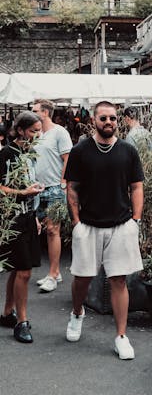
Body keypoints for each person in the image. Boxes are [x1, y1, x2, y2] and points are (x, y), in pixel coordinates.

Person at [64, 101, 144, 360]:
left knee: (118, 280)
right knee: (83, 278)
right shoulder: (81, 150)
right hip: (87, 225)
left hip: (121, 224)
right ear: (94, 121)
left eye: (112, 118)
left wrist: (136, 219)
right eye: (103, 118)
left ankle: (121, 336)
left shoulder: (128, 151)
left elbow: (137, 186)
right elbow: (72, 187)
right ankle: (77, 313)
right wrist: (76, 222)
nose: (108, 122)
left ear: (117, 120)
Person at [0, 111, 45, 343]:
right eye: (33, 131)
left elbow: (26, 185)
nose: (38, 135)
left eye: (39, 131)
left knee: (18, 269)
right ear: (20, 130)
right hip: (12, 219)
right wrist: (23, 192)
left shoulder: (30, 153)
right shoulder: (6, 153)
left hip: (28, 216)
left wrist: (35, 212)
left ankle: (8, 312)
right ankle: (21, 322)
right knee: (24, 271)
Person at [32, 99, 73, 293]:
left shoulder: (59, 132)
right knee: (46, 232)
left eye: (35, 110)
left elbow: (68, 159)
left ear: (45, 112)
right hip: (38, 189)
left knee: (52, 231)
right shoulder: (38, 134)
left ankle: (53, 274)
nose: (32, 113)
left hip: (55, 187)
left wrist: (63, 184)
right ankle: (55, 271)